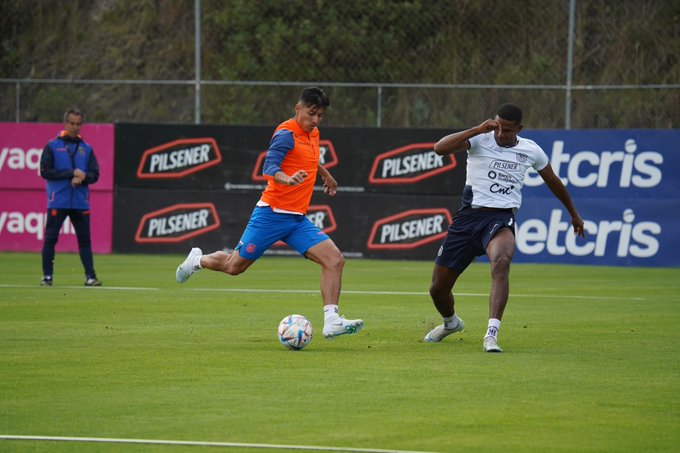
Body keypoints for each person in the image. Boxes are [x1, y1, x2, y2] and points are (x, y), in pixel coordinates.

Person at [176, 87, 364, 340]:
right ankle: (197, 261)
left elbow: (308, 159)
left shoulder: (313, 133)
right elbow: (270, 166)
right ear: (298, 109)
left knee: (335, 260)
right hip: (271, 215)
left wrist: (325, 174)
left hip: (297, 220)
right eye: (311, 114)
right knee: (234, 267)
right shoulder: (285, 134)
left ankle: (331, 321)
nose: (316, 120)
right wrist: (286, 179)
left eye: (320, 115)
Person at [423, 103, 585, 352]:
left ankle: (491, 333)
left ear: (519, 128)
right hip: (467, 219)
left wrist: (573, 214)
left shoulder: (531, 150)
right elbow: (439, 148)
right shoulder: (480, 139)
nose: (501, 134)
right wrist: (477, 129)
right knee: (438, 289)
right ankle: (451, 323)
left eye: (508, 130)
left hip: (500, 219)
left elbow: (554, 181)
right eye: (498, 127)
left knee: (501, 262)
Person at [40, 107, 102, 287]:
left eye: (78, 124)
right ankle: (47, 277)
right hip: (58, 200)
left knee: (85, 240)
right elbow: (45, 171)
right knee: (51, 239)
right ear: (65, 123)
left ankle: (90, 277)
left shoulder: (86, 148)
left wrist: (83, 177)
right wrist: (70, 173)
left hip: (80, 202)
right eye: (72, 123)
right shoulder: (52, 145)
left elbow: (95, 175)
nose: (75, 127)